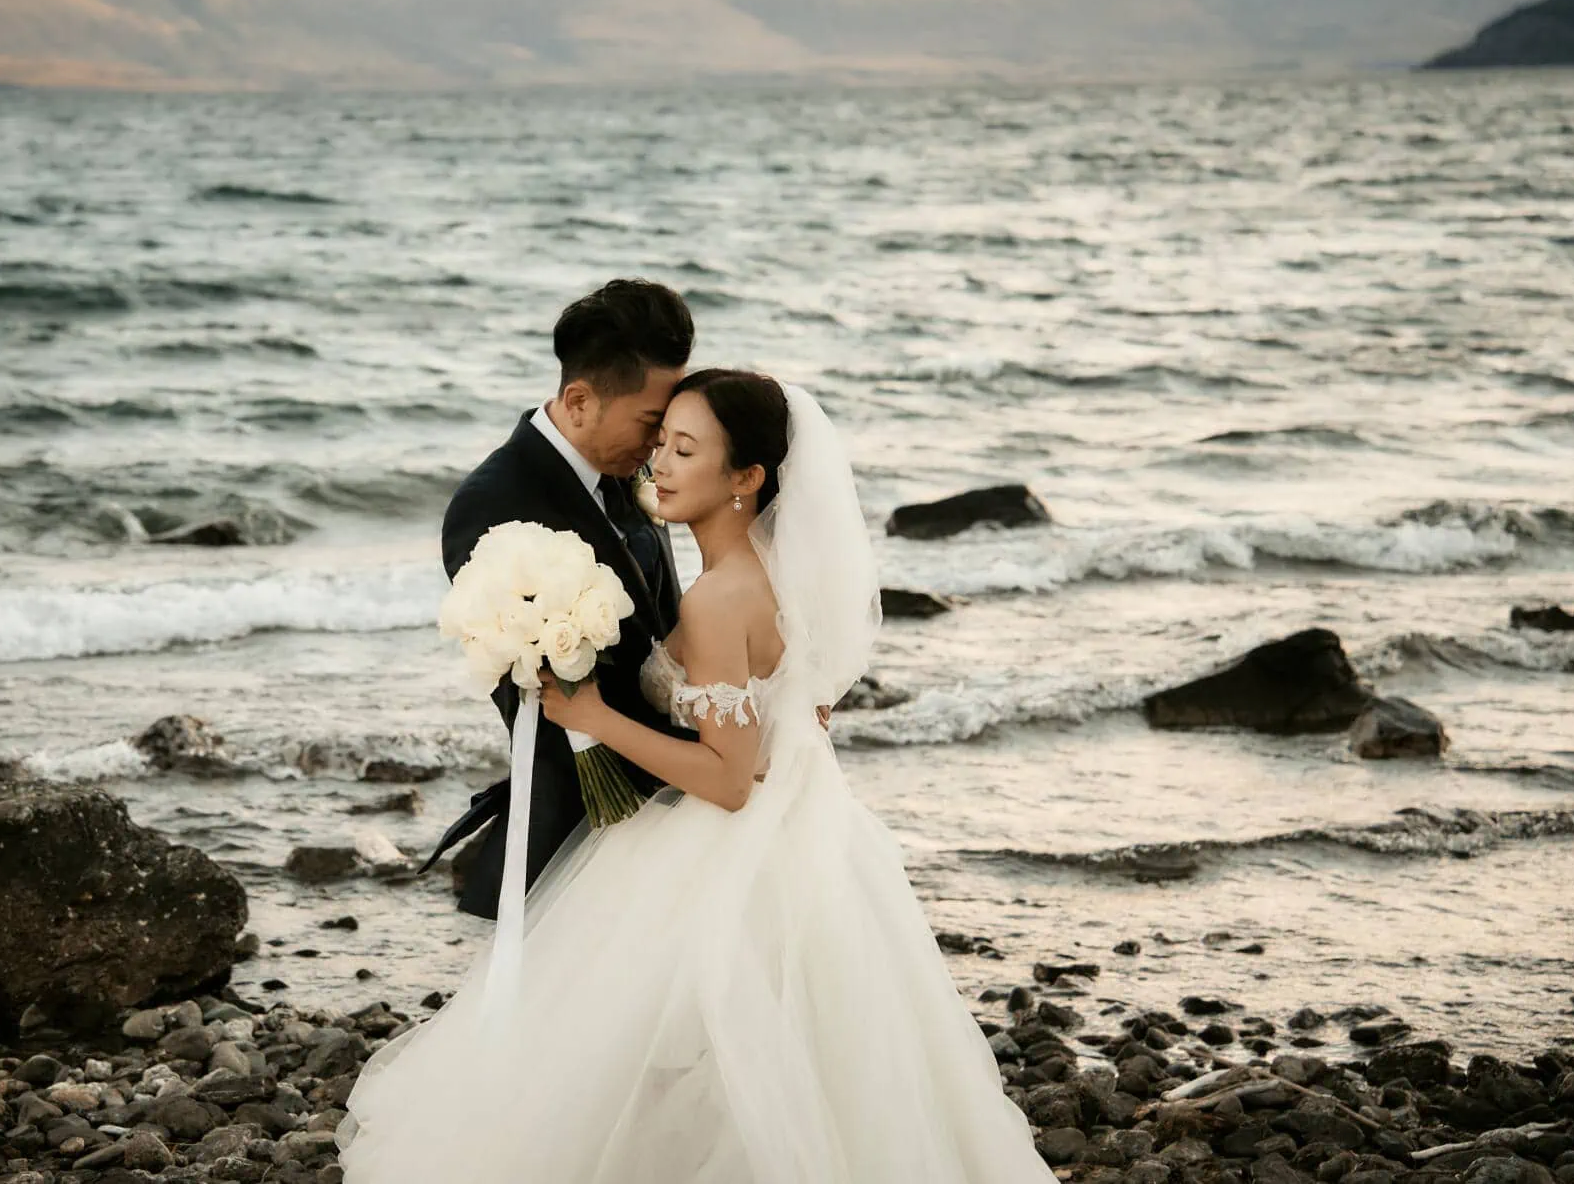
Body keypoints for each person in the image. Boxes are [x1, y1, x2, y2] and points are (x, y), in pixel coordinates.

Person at [340, 369, 1058, 1184]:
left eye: (686, 450)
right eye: (660, 444)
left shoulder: (720, 599)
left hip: (736, 838)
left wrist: (595, 718)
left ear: (747, 478)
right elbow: (795, 712)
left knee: (675, 1042)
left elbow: (728, 778)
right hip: (808, 827)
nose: (661, 466)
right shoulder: (769, 577)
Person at [418, 278, 701, 920]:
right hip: (582, 814)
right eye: (651, 425)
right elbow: (534, 697)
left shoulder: (627, 471)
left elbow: (663, 624)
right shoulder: (493, 504)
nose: (659, 447)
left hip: (669, 785)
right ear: (578, 400)